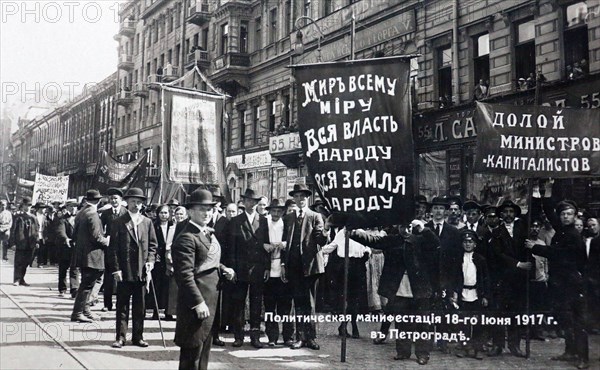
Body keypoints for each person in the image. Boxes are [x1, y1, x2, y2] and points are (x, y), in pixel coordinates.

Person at [350, 219, 439, 364]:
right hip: (400, 287)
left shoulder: (422, 240)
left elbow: (436, 244)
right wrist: (353, 233)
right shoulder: (393, 240)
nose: (406, 230)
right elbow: (373, 241)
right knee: (401, 321)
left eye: (410, 227)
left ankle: (423, 353)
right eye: (403, 226)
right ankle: (403, 351)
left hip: (420, 287)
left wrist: (424, 230)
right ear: (398, 226)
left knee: (422, 322)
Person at [172, 189, 235, 370]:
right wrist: (197, 302)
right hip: (196, 305)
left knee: (202, 356)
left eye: (209, 209)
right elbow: (184, 276)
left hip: (210, 303)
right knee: (192, 357)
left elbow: (207, 262)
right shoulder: (186, 238)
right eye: (202, 209)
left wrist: (223, 269)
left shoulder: (206, 233)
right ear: (190, 211)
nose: (207, 213)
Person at [525, 199, 589, 369]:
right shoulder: (562, 230)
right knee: (565, 319)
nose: (565, 217)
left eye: (569, 214)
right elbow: (551, 215)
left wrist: (535, 247)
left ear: (575, 217)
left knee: (578, 321)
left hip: (572, 283)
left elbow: (559, 254)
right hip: (561, 283)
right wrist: (544, 194)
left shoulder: (574, 235)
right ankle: (570, 351)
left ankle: (583, 357)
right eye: (563, 214)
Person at [108, 187, 158, 348]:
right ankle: (121, 337)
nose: (136, 205)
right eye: (133, 202)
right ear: (127, 203)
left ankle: (138, 336)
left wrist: (150, 260)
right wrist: (116, 269)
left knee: (140, 306)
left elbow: (153, 245)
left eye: (139, 202)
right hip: (124, 271)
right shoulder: (118, 222)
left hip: (142, 272)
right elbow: (113, 249)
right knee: (122, 305)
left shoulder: (147, 222)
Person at [281, 184, 328, 350]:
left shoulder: (315, 217)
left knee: (310, 303)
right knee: (298, 302)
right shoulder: (288, 218)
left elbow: (321, 241)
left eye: (303, 196)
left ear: (307, 198)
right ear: (293, 198)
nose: (300, 199)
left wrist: (326, 231)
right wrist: (283, 265)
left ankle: (311, 337)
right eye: (297, 196)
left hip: (311, 266)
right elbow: (284, 243)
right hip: (294, 266)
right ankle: (300, 337)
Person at [226, 188, 270, 348]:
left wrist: (266, 267)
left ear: (257, 203)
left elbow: (266, 247)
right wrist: (232, 269)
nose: (251, 203)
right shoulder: (235, 221)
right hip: (240, 269)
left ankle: (255, 337)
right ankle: (238, 336)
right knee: (238, 303)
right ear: (243, 202)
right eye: (248, 200)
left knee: (256, 304)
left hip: (258, 269)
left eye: (254, 201)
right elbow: (231, 248)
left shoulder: (264, 221)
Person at [488, 200, 531, 357]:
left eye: (511, 212)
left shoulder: (522, 230)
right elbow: (499, 255)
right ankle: (498, 345)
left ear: (515, 214)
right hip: (503, 278)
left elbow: (527, 250)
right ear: (501, 214)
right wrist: (518, 264)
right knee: (499, 313)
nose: (508, 214)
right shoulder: (496, 232)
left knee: (516, 312)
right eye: (505, 212)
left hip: (519, 280)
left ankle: (514, 345)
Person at [322, 213, 370, 339]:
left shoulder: (360, 233)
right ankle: (348, 325)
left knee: (355, 299)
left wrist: (366, 254)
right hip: (345, 267)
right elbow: (330, 247)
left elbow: (368, 248)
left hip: (358, 266)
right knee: (345, 299)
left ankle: (349, 325)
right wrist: (317, 248)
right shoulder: (341, 234)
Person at [71, 190, 109, 323]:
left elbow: (74, 234)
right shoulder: (93, 214)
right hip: (92, 255)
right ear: (98, 201)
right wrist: (108, 241)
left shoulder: (81, 212)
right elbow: (96, 237)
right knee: (87, 285)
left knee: (87, 284)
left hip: (83, 254)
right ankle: (78, 312)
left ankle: (85, 311)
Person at [452, 229, 490, 360]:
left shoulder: (480, 259)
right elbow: (455, 278)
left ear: (475, 244)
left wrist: (485, 296)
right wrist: (455, 293)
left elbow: (485, 279)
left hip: (476, 294)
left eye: (470, 241)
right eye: (465, 242)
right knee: (463, 323)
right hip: (463, 294)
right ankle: (464, 347)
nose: (468, 244)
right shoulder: (458, 259)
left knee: (478, 323)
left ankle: (477, 348)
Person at [262, 199, 293, 347]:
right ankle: (272, 337)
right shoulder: (264, 224)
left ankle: (287, 336)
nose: (275, 213)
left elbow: (291, 243)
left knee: (285, 306)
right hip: (268, 268)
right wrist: (264, 245)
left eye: (278, 211)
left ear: (282, 212)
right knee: (269, 306)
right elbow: (259, 241)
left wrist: (284, 246)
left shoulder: (287, 224)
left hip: (283, 268)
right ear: (269, 211)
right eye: (273, 210)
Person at [100, 187, 127, 312]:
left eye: (116, 198)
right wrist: (105, 238)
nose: (113, 201)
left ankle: (120, 304)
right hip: (110, 249)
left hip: (123, 248)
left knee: (122, 277)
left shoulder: (126, 213)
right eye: (111, 199)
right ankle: (107, 304)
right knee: (109, 277)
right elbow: (101, 229)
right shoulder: (106, 214)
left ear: (120, 200)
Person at [152, 204, 175, 321]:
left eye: (166, 213)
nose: (164, 215)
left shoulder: (173, 226)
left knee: (168, 286)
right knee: (157, 285)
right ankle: (155, 311)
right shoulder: (154, 226)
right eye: (161, 213)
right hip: (157, 259)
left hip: (169, 259)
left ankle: (168, 311)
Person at [9, 197, 38, 286]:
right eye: (27, 205)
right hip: (20, 243)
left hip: (30, 243)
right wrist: (13, 243)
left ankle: (22, 279)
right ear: (23, 205)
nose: (28, 207)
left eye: (30, 205)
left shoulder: (33, 217)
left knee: (26, 262)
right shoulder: (18, 217)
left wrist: (37, 241)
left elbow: (37, 230)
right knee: (18, 261)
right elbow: (13, 230)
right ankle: (17, 279)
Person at [583, 218, 599, 333]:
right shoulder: (589, 241)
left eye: (594, 225)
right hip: (593, 276)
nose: (592, 228)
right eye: (589, 226)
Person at [33, 203, 48, 267]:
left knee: (41, 249)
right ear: (38, 209)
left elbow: (46, 226)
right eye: (42, 208)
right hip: (34, 234)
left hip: (42, 234)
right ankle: (30, 261)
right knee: (34, 249)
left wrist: (46, 235)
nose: (43, 210)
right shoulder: (33, 216)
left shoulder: (44, 217)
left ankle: (40, 263)